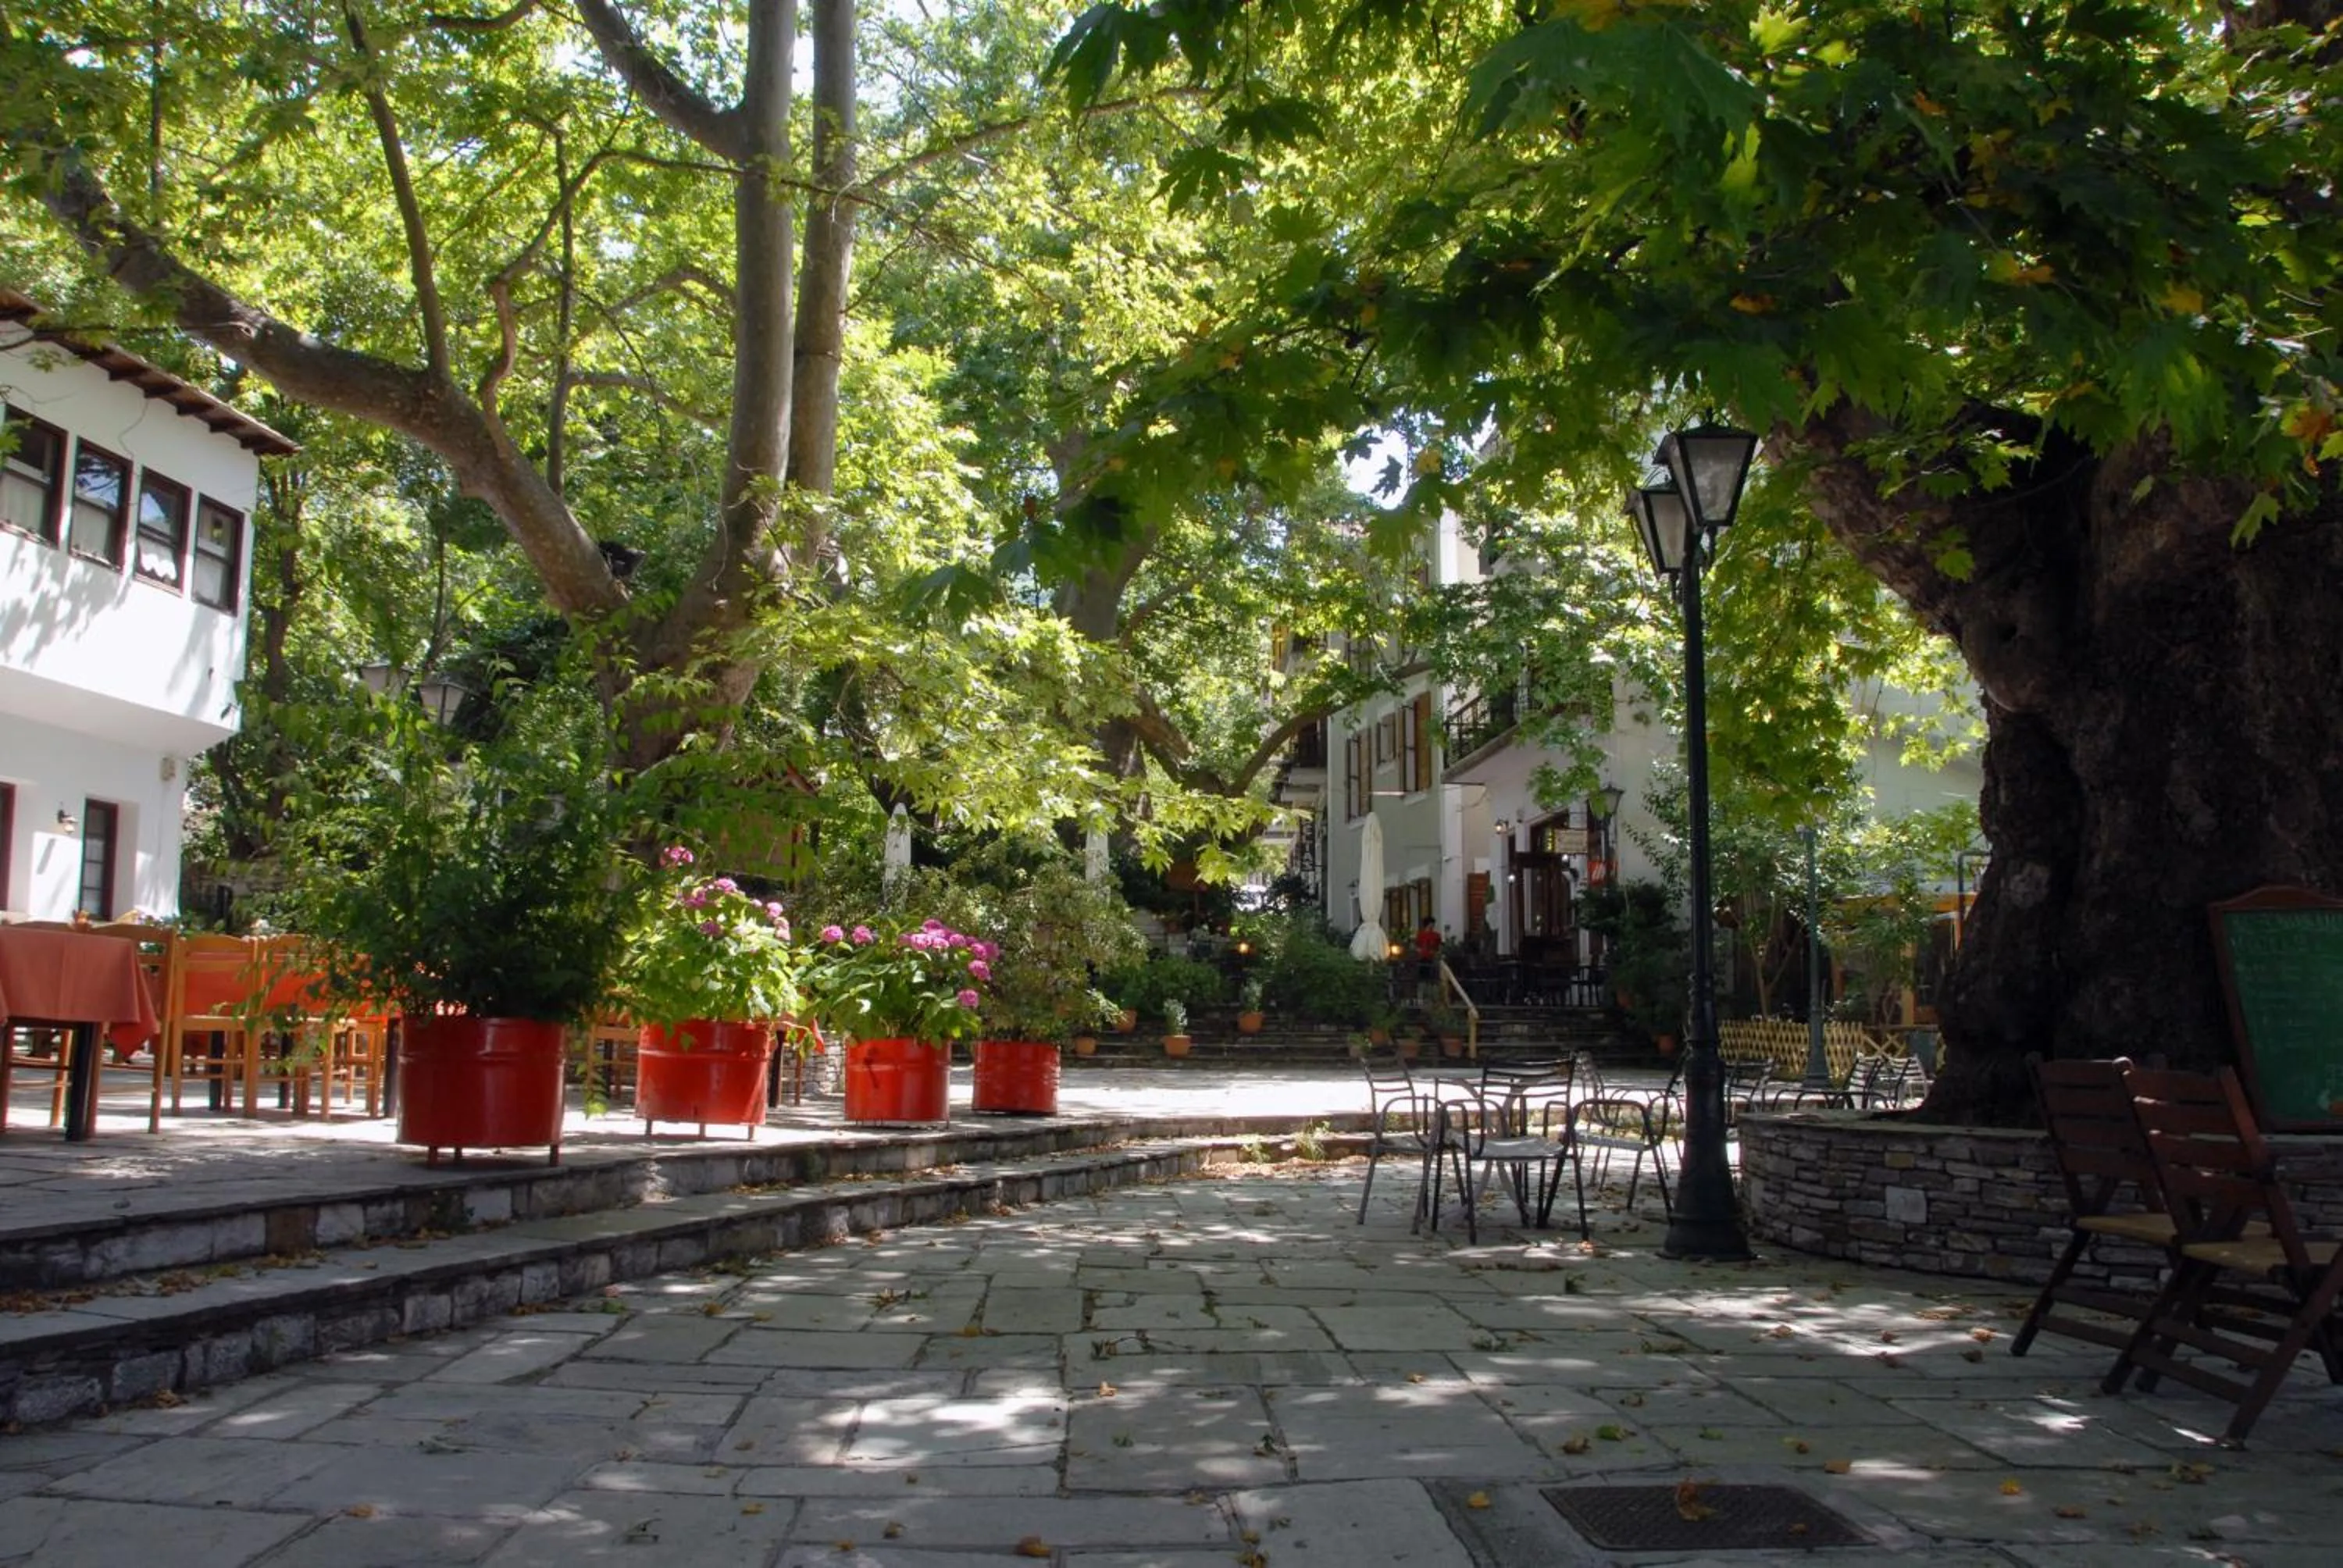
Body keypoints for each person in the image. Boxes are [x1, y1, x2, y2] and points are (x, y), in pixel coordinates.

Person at [1412, 917, 1443, 1001]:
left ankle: (1433, 997)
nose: (1433, 926)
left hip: (1433, 958)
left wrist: (1437, 953)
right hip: (1423, 958)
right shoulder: (1421, 935)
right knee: (1423, 978)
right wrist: (1420, 951)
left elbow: (1439, 947)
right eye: (1431, 924)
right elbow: (1416, 946)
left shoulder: (1436, 935)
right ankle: (1422, 996)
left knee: (1433, 978)